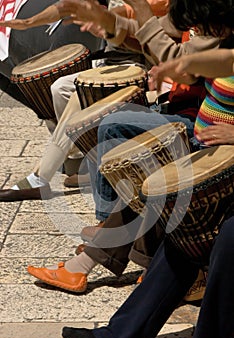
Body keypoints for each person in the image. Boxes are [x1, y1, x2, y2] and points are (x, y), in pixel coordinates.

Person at [25, 0, 233, 294]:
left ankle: (99, 253)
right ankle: (110, 250)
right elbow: (165, 42)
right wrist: (113, 28)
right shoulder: (208, 24)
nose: (197, 30)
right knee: (118, 137)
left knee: (143, 170)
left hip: (199, 130)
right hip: (197, 126)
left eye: (201, 27)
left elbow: (174, 56)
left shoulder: (217, 33)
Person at [0, 0, 220, 200]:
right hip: (151, 72)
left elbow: (176, 58)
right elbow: (149, 32)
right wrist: (110, 25)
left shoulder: (214, 23)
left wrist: (136, 12)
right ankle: (80, 164)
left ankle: (46, 180)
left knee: (91, 107)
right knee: (61, 88)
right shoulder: (189, 14)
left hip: (167, 91)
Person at [0, 0, 106, 112]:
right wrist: (28, 22)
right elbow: (62, 9)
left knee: (61, 89)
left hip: (116, 62)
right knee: (59, 88)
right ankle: (62, 124)